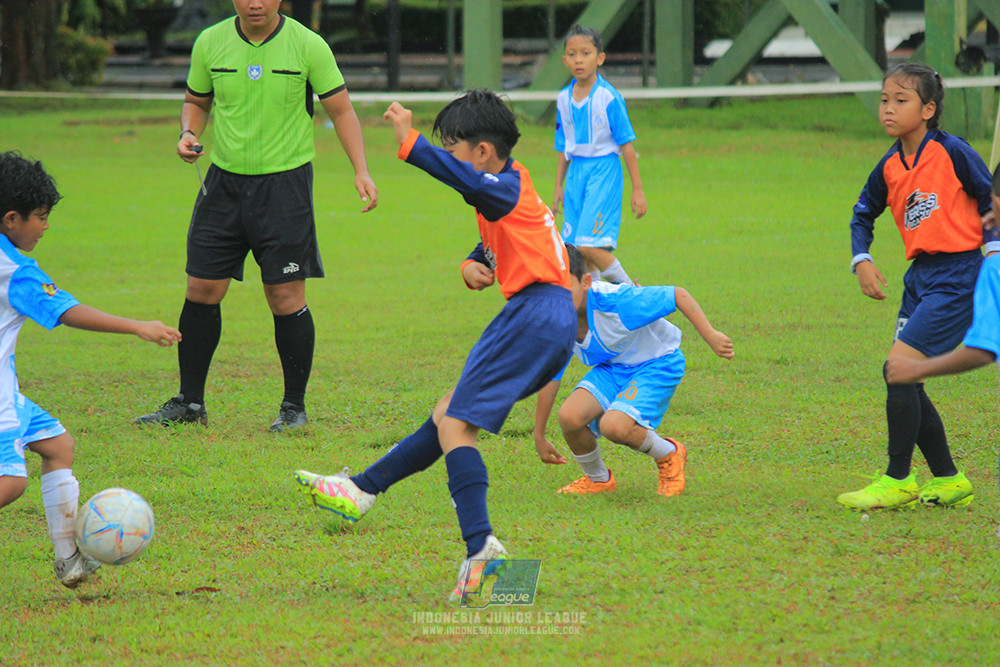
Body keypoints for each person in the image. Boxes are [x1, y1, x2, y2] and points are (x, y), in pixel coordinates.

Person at [293, 90, 576, 598]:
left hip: (534, 313)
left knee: (456, 424)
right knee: (450, 411)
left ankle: (481, 547)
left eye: (454, 147)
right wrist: (476, 262)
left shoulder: (497, 185)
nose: (450, 156)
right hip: (545, 318)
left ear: (483, 152)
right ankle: (361, 489)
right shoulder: (512, 184)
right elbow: (500, 234)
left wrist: (412, 143)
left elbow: (462, 179)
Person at [135, 0, 378, 432]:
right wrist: (188, 132)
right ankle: (190, 403)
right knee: (202, 287)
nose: (255, 3)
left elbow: (340, 110)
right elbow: (196, 102)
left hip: (285, 188)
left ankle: (293, 409)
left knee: (285, 296)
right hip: (223, 185)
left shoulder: (309, 45)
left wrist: (361, 170)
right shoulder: (210, 42)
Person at [0, 151, 181, 587]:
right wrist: (137, 326)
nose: (45, 226)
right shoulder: (16, 270)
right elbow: (65, 311)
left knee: (58, 445)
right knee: (10, 480)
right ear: (11, 218)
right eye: (40, 217)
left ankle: (70, 561)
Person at [837, 64, 998, 511]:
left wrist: (994, 248)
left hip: (959, 274)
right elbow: (862, 214)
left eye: (900, 100)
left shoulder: (953, 152)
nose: (888, 108)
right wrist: (861, 258)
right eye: (885, 99)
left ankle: (897, 479)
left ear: (928, 109)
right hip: (921, 278)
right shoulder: (889, 165)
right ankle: (949, 479)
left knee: (898, 369)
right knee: (905, 376)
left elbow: (991, 199)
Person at [532, 244, 733, 495]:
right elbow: (551, 374)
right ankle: (599, 480)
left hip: (657, 363)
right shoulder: (555, 321)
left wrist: (711, 335)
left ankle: (670, 454)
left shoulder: (617, 303)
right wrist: (539, 434)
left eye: (564, 286)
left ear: (585, 282)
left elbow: (677, 295)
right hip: (613, 366)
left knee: (614, 426)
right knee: (570, 417)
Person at [553, 24, 646, 286]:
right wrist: (558, 186)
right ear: (564, 60)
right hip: (576, 175)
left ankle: (631, 292)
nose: (578, 60)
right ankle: (597, 311)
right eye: (572, 54)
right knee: (576, 251)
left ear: (600, 58)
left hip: (604, 171)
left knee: (590, 245)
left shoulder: (608, 97)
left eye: (585, 53)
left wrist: (637, 189)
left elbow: (627, 145)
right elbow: (563, 146)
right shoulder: (562, 99)